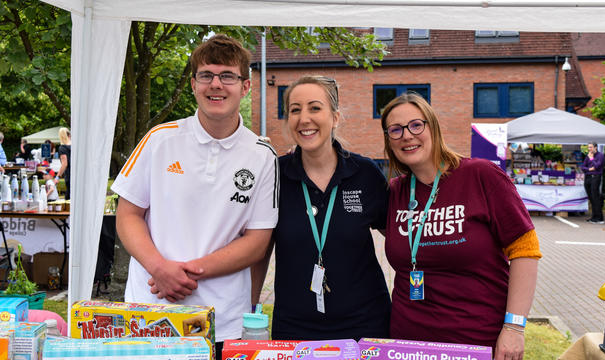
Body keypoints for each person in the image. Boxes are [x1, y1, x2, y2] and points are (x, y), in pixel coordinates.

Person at [111, 34, 278, 359]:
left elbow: (258, 241)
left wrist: (183, 274)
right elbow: (128, 215)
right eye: (206, 75)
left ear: (245, 87)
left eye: (227, 76)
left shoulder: (262, 155)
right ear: (193, 84)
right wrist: (159, 268)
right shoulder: (159, 140)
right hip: (150, 311)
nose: (216, 85)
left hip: (222, 319)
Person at [380, 93, 541, 359]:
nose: (406, 136)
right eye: (395, 130)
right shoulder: (394, 192)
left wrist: (514, 327)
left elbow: (526, 250)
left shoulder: (481, 175)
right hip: (408, 342)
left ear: (433, 127)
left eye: (416, 125)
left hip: (476, 340)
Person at [252, 75, 391, 340]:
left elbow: (399, 242)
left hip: (366, 326)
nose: (304, 118)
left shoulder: (365, 174)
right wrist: (250, 308)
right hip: (294, 328)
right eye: (295, 110)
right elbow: (260, 252)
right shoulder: (274, 176)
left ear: (335, 117)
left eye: (315, 108)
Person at [580, 142, 605, 224]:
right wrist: (590, 169)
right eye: (588, 147)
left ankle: (599, 218)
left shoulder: (600, 156)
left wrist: (591, 159)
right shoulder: (588, 156)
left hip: (595, 177)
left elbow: (597, 166)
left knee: (595, 197)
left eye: (590, 147)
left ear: (595, 147)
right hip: (588, 178)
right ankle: (594, 217)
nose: (589, 149)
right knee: (591, 198)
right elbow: (583, 167)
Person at [56, 127, 71, 200]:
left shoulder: (62, 148)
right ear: (69, 135)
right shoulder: (75, 146)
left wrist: (57, 177)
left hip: (69, 175)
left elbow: (65, 164)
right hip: (79, 174)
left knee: (69, 197)